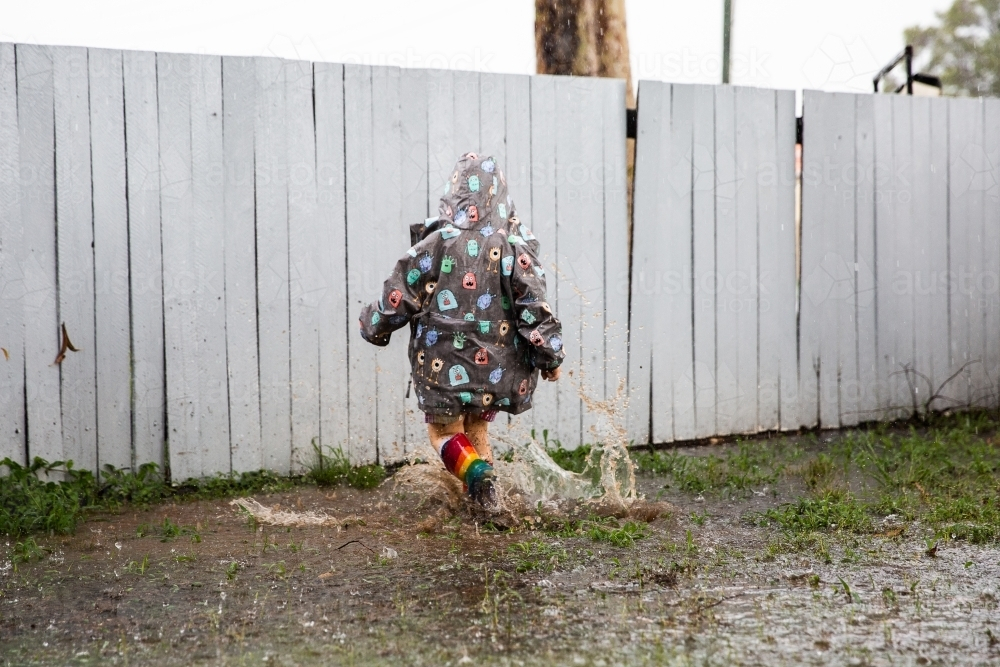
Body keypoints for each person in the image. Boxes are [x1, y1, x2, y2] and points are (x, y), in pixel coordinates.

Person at [359, 153, 564, 510]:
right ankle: (491, 507)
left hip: (443, 362)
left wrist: (375, 324)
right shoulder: (514, 247)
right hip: (499, 366)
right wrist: (549, 356)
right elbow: (534, 305)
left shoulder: (438, 242)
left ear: (453, 194)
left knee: (444, 432)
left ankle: (477, 477)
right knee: (477, 430)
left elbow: (400, 293)